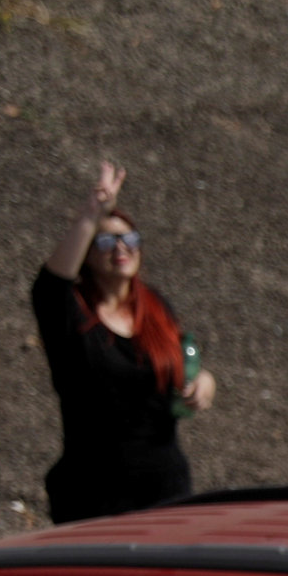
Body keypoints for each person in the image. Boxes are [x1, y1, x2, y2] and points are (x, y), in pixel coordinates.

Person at [33, 158, 217, 523]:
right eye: (106, 240)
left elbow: (184, 361)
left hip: (165, 487)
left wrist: (206, 381)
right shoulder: (72, 317)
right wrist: (91, 214)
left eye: (129, 238)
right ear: (87, 252)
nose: (120, 248)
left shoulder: (154, 307)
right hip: (93, 492)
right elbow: (50, 285)